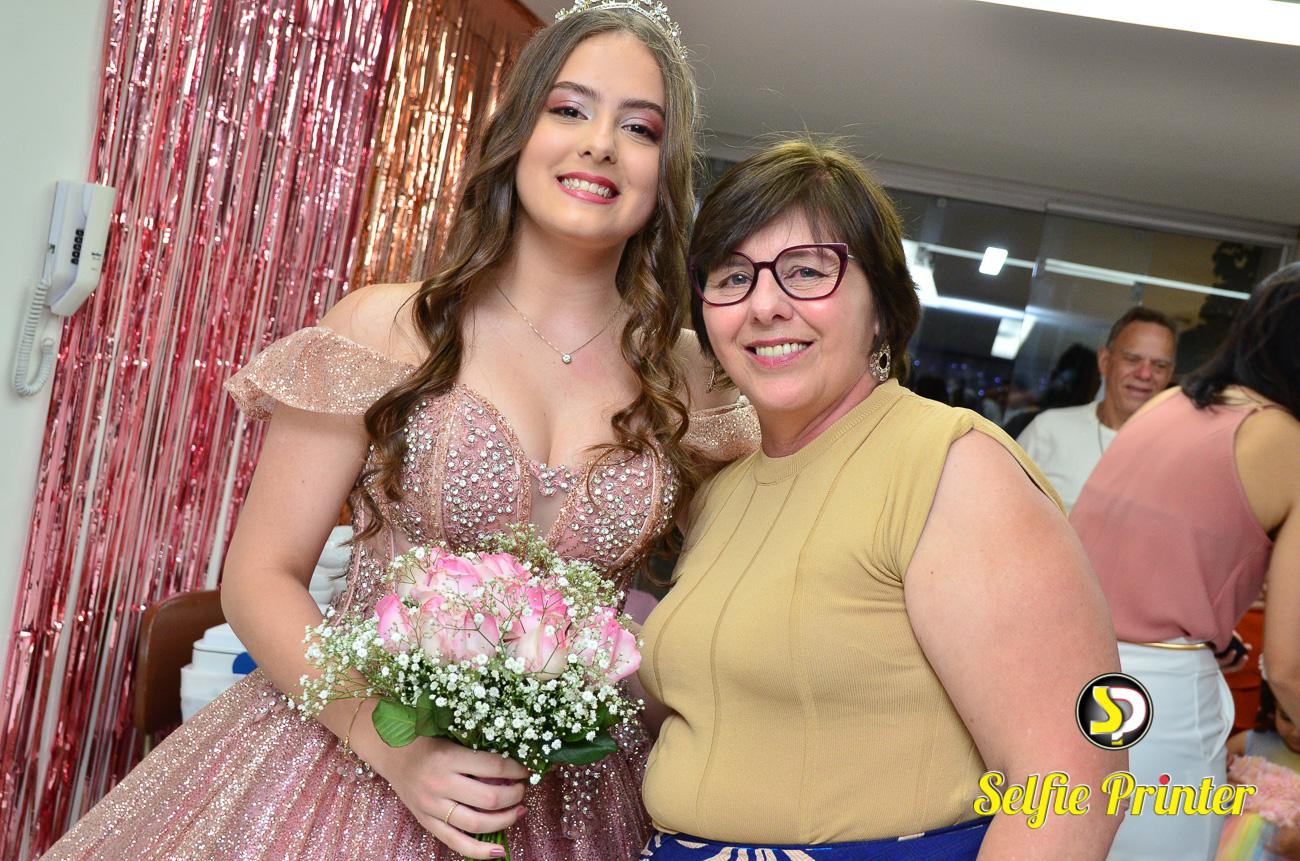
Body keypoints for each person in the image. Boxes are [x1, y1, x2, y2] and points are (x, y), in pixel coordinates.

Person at [42, 5, 758, 860]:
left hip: (573, 803)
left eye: (639, 127)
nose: (600, 143)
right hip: (345, 761)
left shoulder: (695, 379)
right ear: (517, 133)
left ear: (664, 171)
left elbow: (737, 601)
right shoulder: (388, 328)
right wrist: (389, 744)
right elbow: (261, 575)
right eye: (569, 109)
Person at [638, 140, 1125, 860]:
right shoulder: (721, 493)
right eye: (733, 277)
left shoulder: (954, 467)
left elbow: (1075, 782)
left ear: (883, 309)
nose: (764, 305)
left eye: (807, 271)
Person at [1070, 263, 1300, 860]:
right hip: (1161, 698)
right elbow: (1288, 667)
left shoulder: (1170, 404)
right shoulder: (1286, 440)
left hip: (1070, 666)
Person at [1017, 306, 1177, 511]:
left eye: (1159, 365)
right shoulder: (1049, 429)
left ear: (1170, 374)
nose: (1145, 374)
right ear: (1105, 361)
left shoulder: (1181, 454)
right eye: (1132, 359)